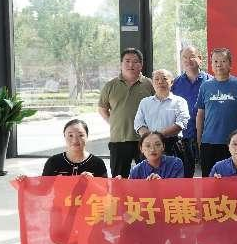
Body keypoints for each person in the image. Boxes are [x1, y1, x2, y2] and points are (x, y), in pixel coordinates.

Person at [98, 47, 155, 178]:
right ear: (121, 64)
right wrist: (113, 122)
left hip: (145, 139)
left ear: (141, 64)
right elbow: (102, 108)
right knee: (119, 179)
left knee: (147, 178)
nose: (131, 65)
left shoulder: (149, 84)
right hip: (119, 139)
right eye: (127, 61)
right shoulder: (110, 85)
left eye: (135, 61)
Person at [196, 48, 237, 177]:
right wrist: (199, 139)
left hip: (235, 144)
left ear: (230, 64)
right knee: (210, 181)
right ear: (211, 64)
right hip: (209, 142)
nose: (219, 64)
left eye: (223, 61)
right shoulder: (205, 86)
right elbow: (200, 114)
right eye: (215, 61)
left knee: (234, 181)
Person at [172, 45, 212, 177]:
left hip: (207, 136)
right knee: (185, 176)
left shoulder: (211, 81)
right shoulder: (175, 83)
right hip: (184, 136)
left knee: (208, 174)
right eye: (185, 57)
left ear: (200, 59)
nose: (188, 60)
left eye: (192, 57)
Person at [133, 69, 190, 160]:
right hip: (149, 145)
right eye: (156, 79)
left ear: (171, 82)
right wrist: (151, 138)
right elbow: (138, 123)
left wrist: (158, 136)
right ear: (152, 83)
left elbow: (182, 123)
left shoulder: (180, 101)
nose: (160, 82)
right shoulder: (145, 102)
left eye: (164, 79)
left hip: (172, 145)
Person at [39, 119, 108, 177]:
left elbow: (105, 188)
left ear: (87, 137)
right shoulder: (53, 162)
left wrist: (93, 182)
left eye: (80, 135)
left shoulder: (98, 163)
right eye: (70, 135)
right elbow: (43, 187)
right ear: (64, 137)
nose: (75, 140)